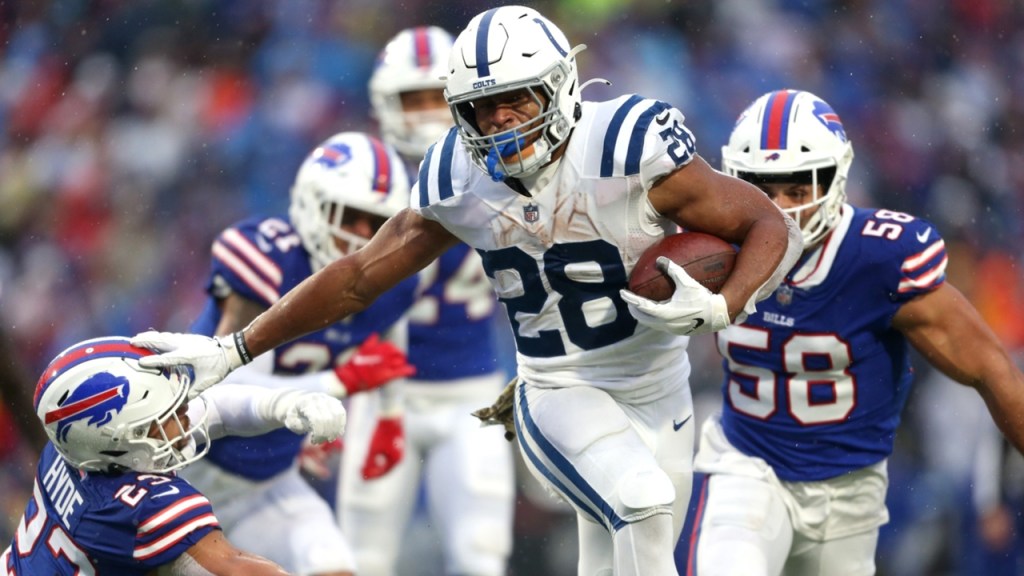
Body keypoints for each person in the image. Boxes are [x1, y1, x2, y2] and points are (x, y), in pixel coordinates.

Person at [130, 6, 802, 575]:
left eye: (517, 99)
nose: (502, 121)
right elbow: (359, 277)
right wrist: (236, 348)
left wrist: (725, 303)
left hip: (662, 385)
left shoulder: (627, 148)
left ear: (560, 87)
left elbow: (766, 224)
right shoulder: (459, 177)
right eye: (482, 108)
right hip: (560, 387)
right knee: (644, 501)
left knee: (629, 552)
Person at [686, 89, 1024, 576]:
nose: (779, 209)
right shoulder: (705, 248)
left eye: (797, 190)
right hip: (746, 467)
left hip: (848, 492)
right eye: (762, 190)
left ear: (836, 178)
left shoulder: (878, 260)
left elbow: (992, 370)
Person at [180, 130, 419, 576]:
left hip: (265, 481)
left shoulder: (392, 287)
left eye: (376, 223)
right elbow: (223, 388)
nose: (362, 236)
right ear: (313, 204)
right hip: (181, 469)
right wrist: (336, 384)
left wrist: (389, 416)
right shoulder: (269, 259)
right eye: (350, 216)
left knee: (334, 565)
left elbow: (387, 343)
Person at [338, 26, 514, 576]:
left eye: (436, 97)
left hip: (472, 391)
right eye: (411, 100)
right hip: (381, 392)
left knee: (480, 555)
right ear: (383, 105)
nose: (425, 115)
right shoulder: (360, 180)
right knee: (361, 558)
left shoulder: (503, 169)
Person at [2, 335, 348, 575]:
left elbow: (214, 409)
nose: (185, 416)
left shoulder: (76, 446)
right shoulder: (134, 507)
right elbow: (234, 568)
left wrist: (285, 404)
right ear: (118, 440)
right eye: (168, 414)